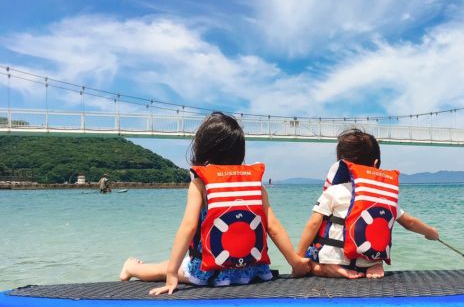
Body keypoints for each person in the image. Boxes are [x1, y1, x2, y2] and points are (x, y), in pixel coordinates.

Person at [120, 112, 311, 295]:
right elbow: (273, 227)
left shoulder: (200, 184)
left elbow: (188, 227)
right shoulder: (254, 185)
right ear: (240, 150)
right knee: (172, 265)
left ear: (202, 149)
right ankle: (137, 268)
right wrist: (295, 262)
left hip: (207, 274)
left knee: (163, 267)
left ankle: (131, 268)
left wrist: (171, 274)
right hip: (254, 272)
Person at [295, 129, 439, 279]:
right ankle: (374, 264)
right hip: (366, 262)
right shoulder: (382, 196)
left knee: (308, 262)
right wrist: (431, 233)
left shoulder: (334, 191)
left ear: (341, 164)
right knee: (371, 255)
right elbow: (409, 222)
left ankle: (324, 269)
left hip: (336, 259)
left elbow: (313, 224)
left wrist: (298, 260)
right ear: (376, 163)